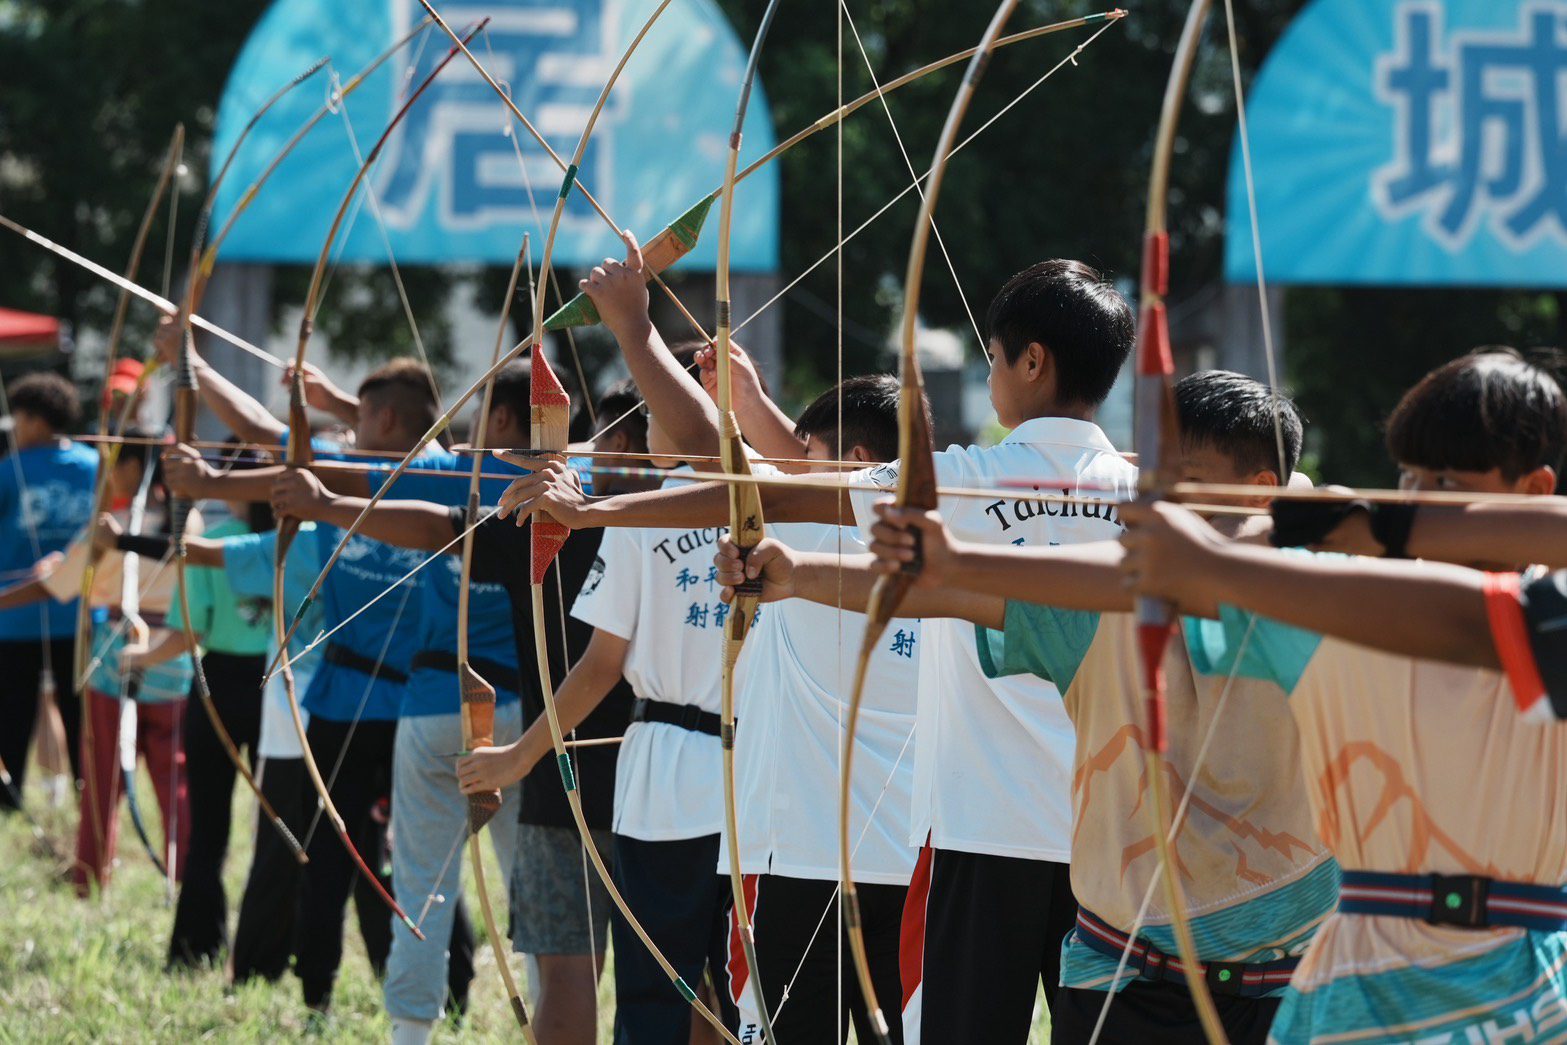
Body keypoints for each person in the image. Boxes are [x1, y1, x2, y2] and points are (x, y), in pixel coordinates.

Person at [496, 258, 1139, 1043]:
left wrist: (592, 508)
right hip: (1110, 834)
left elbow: (768, 490)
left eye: (995, 356)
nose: (992, 373)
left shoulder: (960, 484)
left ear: (1031, 361)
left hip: (978, 834)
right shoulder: (1152, 502)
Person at [724, 371, 1331, 1043]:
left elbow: (1327, 514)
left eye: (1177, 481)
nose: (1150, 503)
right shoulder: (1103, 608)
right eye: (1147, 480)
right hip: (1126, 977)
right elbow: (946, 591)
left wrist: (1262, 524)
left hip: (1286, 977)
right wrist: (800, 575)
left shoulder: (1336, 607)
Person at [1116, 348, 1567, 1042]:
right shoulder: (1355, 598)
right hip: (1362, 981)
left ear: (1534, 490)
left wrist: (1375, 526)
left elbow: (1476, 612)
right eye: (1405, 477)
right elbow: (1127, 582)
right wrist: (954, 565)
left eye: (1442, 480)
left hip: (1523, 988)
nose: (1411, 495)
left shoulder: (1536, 608)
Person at [267, 379, 652, 1045]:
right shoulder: (581, 501)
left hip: (489, 728)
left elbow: (385, 500)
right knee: (578, 928)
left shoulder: (518, 495)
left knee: (432, 886)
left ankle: (412, 1031)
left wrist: (321, 497)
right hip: (562, 743)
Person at [163, 357, 456, 1013]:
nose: (346, 438)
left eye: (360, 422)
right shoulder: (435, 471)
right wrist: (203, 373)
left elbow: (273, 435)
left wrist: (200, 389)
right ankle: (350, 992)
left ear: (383, 419)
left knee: (369, 854)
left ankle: (336, 996)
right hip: (382, 702)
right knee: (371, 854)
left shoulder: (408, 475)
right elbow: (281, 437)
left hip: (382, 703)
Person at [0, 432, 197, 895]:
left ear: (133, 468)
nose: (108, 475)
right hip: (173, 659)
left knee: (103, 773)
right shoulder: (192, 523)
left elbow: (55, 589)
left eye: (116, 465)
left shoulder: (111, 528)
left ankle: (89, 878)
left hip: (115, 657)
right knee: (173, 779)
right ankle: (188, 878)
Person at [0, 371, 98, 805]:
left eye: (18, 420)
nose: (14, 429)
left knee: (12, 710)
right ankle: (86, 793)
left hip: (14, 612)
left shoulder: (9, 470)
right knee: (79, 710)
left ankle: (10, 796)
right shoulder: (96, 466)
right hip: (78, 614)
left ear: (38, 421)